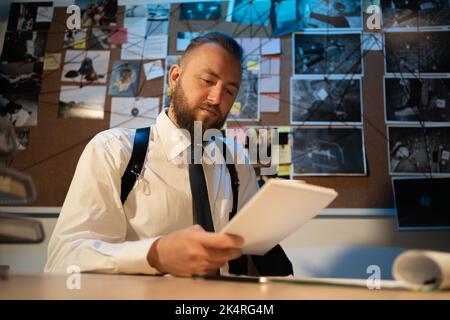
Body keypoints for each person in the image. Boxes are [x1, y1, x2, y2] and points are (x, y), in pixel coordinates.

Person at [45, 32, 292, 277]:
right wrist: (154, 254)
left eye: (229, 91)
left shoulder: (235, 161)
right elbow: (64, 258)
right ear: (175, 77)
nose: (217, 98)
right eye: (208, 80)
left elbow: (255, 248)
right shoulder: (114, 150)